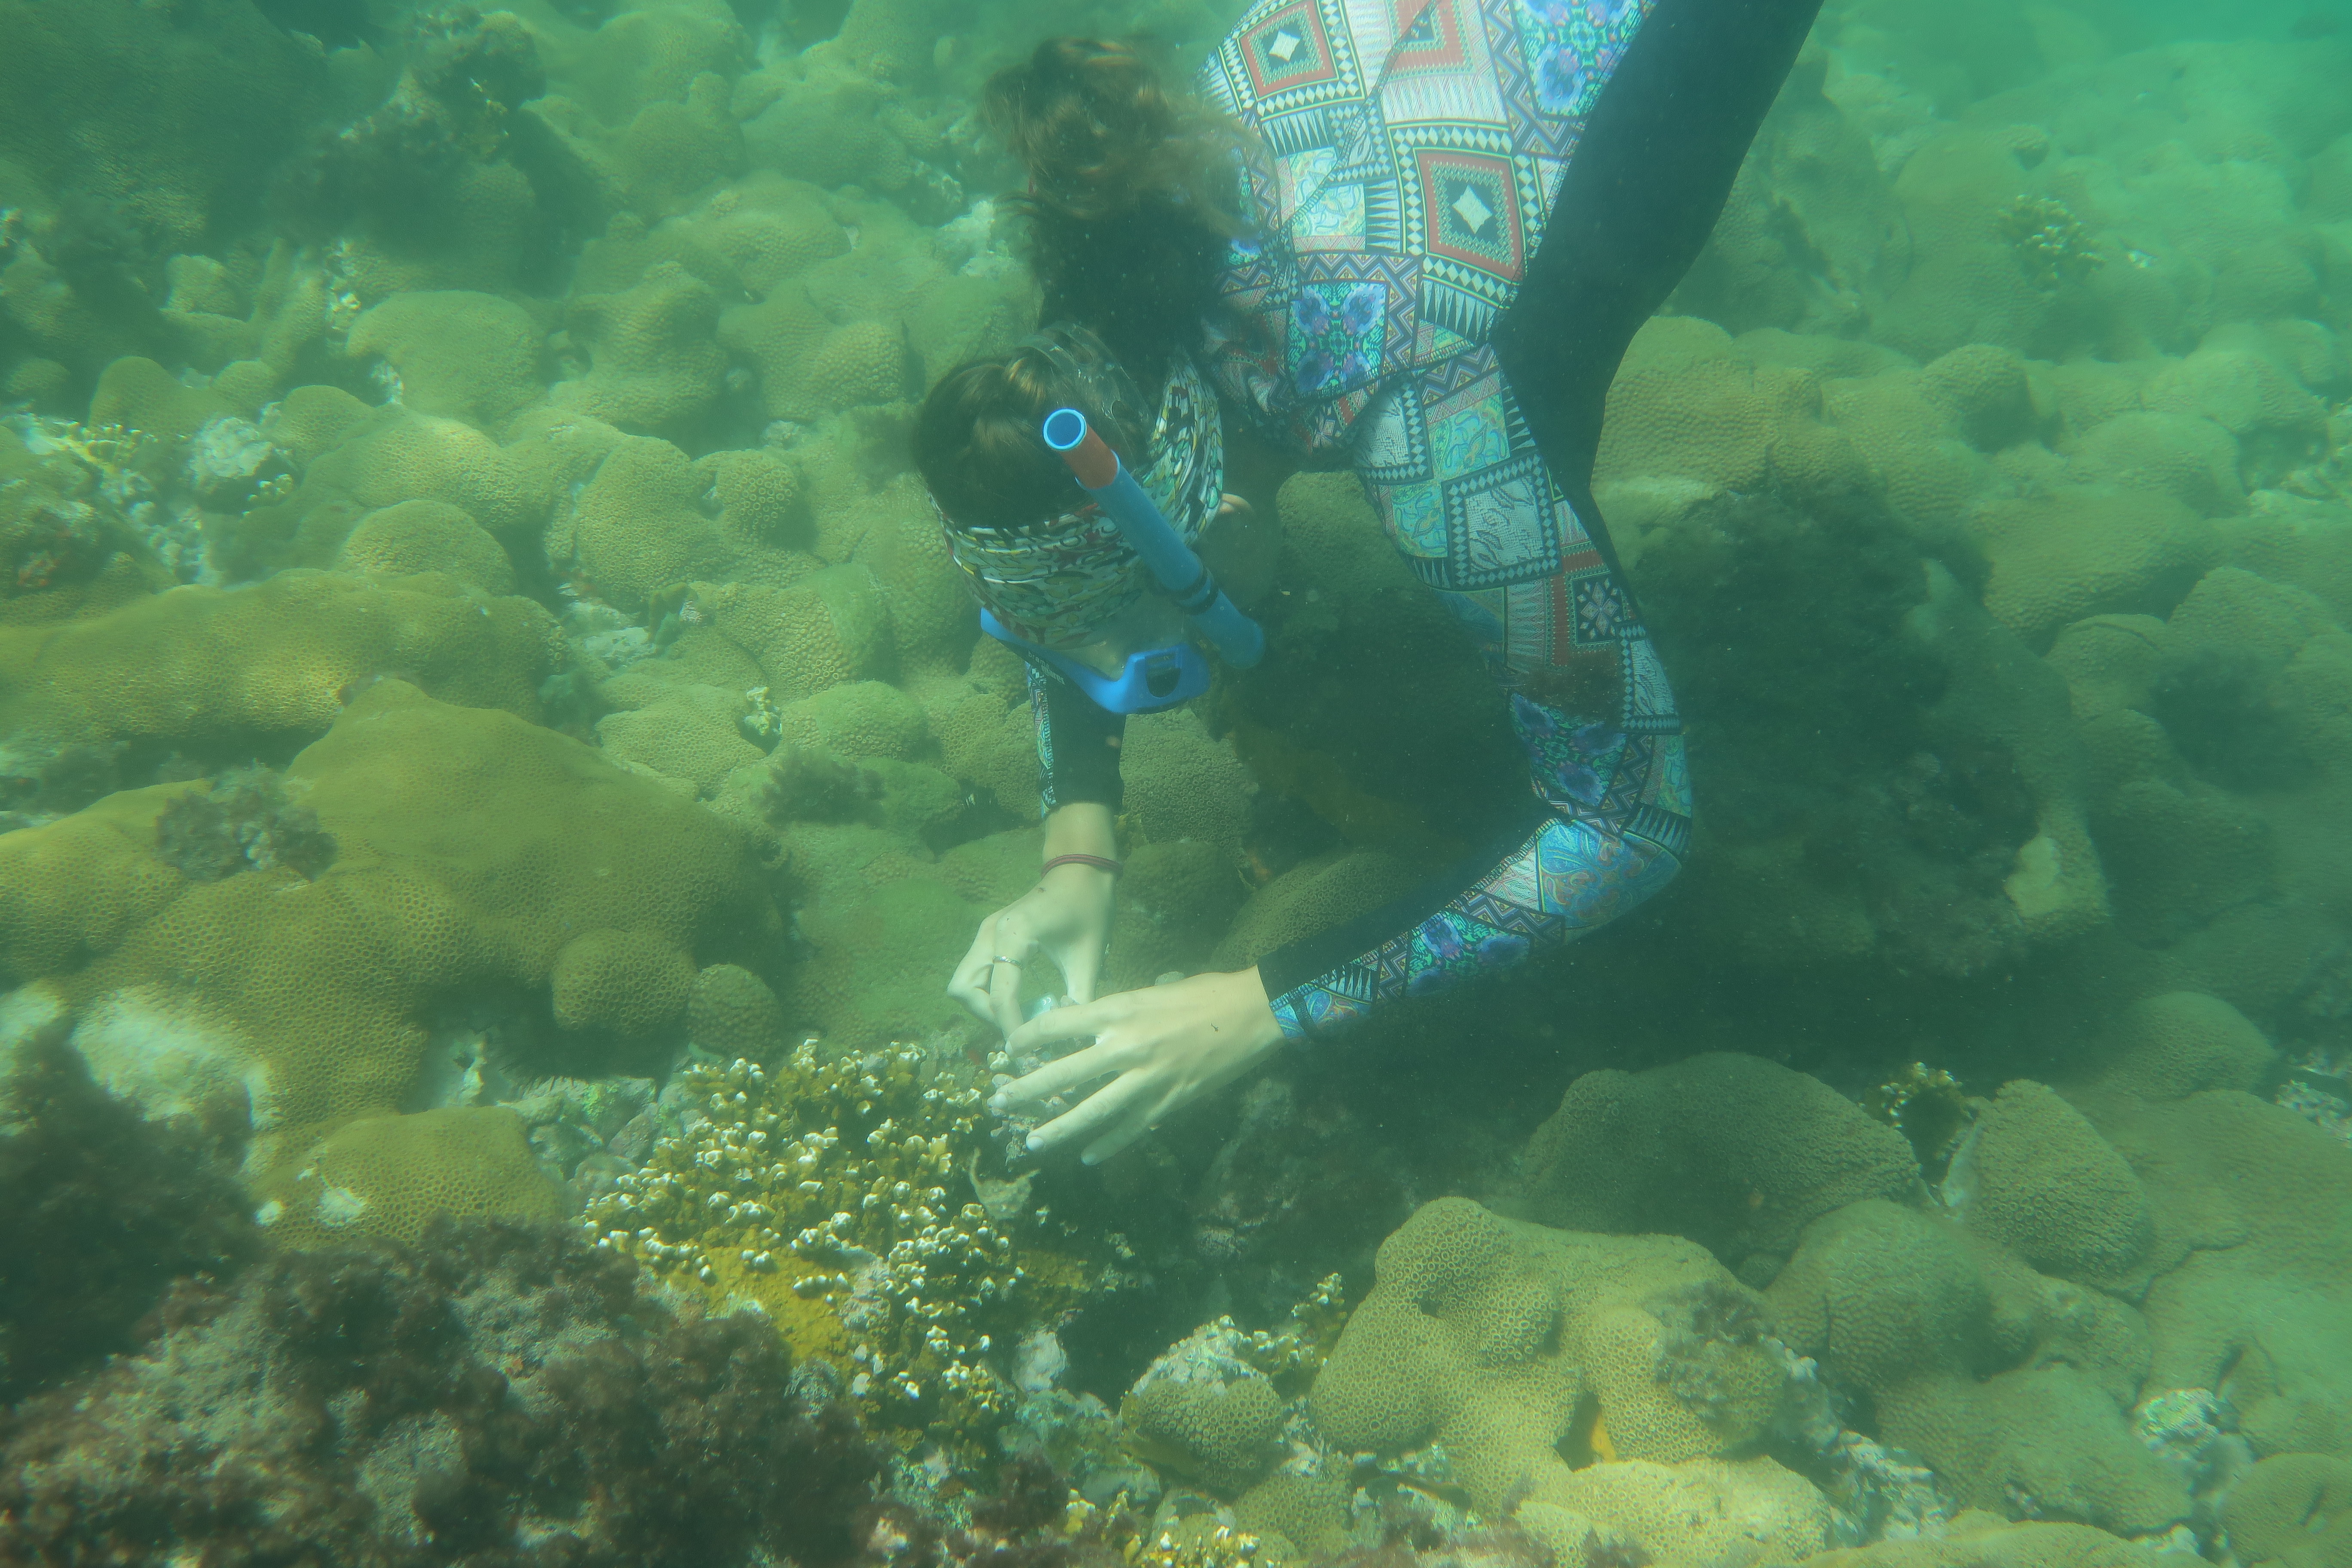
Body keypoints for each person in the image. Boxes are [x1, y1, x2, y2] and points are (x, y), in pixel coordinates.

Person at [913, 0, 1823, 1165]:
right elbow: (1084, 567)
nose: (1143, 683)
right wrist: (1077, 851)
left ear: (1219, 532)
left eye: (1152, 664)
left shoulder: (1437, 431)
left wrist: (1264, 1004)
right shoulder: (1109, 300)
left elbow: (1630, 824)